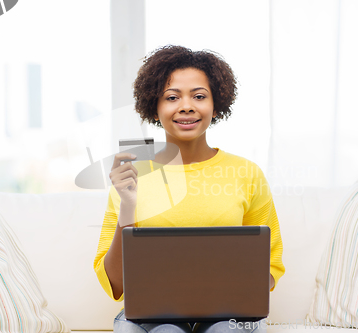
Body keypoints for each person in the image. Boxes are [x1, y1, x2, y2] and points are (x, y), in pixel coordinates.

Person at [94, 45, 285, 333]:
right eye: (172, 97)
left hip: (228, 314)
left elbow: (270, 268)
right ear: (154, 108)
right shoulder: (132, 174)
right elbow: (116, 285)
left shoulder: (246, 173)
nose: (186, 106)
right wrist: (128, 206)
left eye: (199, 96)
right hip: (152, 317)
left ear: (216, 105)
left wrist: (238, 286)